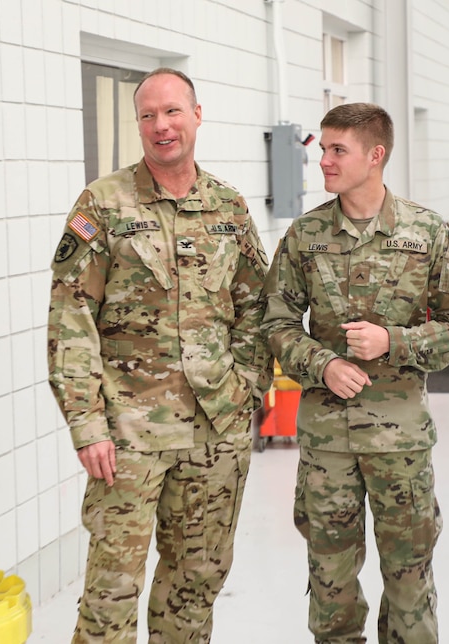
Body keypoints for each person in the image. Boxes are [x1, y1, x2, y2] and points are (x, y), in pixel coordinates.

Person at [47, 68, 272, 643]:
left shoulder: (228, 206)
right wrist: (87, 423)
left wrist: (245, 387)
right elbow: (71, 321)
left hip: (215, 431)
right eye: (147, 115)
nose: (160, 126)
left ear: (197, 115)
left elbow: (258, 305)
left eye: (171, 111)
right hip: (129, 433)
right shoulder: (104, 203)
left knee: (196, 583)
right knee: (111, 590)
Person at [261, 103, 449, 643]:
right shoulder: (304, 236)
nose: (324, 162)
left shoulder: (426, 233)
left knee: (409, 580)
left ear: (375, 155)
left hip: (399, 439)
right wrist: (322, 363)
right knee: (330, 584)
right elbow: (276, 323)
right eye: (323, 149)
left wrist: (393, 342)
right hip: (327, 442)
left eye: (338, 150)